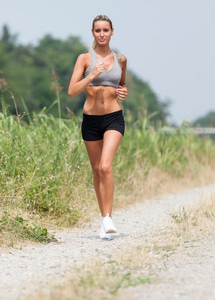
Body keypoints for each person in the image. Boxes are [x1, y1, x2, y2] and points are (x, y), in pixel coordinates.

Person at [68, 15, 128, 239]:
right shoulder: (84, 58)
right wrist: (92, 74)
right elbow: (72, 91)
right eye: (97, 30)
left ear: (112, 32)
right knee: (95, 170)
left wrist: (123, 92)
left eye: (105, 30)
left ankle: (109, 217)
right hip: (91, 121)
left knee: (105, 167)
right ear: (92, 33)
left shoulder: (120, 59)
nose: (102, 34)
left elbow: (121, 86)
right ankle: (103, 219)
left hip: (113, 117)